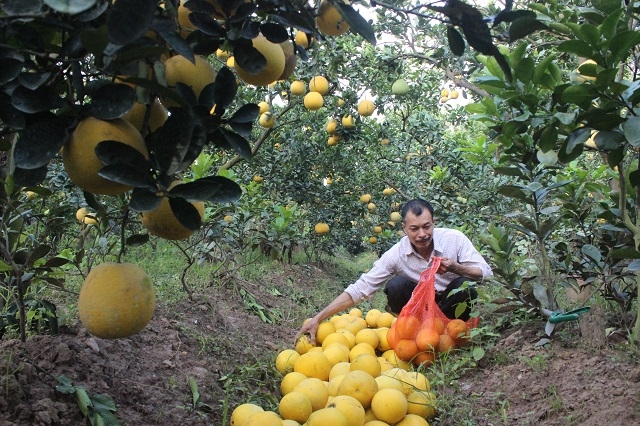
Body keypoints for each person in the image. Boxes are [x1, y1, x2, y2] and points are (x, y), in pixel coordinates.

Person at [296, 198, 492, 344]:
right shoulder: (396, 254)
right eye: (414, 229)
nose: (422, 234)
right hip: (420, 309)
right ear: (404, 228)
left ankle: (450, 334)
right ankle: (415, 332)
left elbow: (485, 272)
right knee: (396, 286)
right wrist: (318, 318)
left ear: (434, 222)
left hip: (450, 304)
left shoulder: (454, 239)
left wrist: (457, 268)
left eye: (427, 226)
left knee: (464, 286)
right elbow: (362, 288)